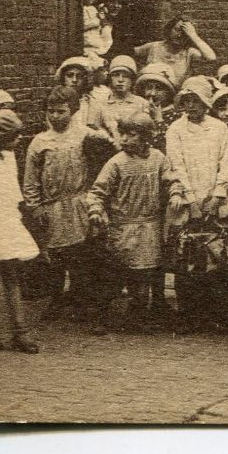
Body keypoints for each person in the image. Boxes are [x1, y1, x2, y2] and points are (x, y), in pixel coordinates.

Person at [87, 110, 188, 331]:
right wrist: (95, 209)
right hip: (122, 227)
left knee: (145, 274)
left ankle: (138, 316)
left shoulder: (158, 159)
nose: (123, 139)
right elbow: (98, 191)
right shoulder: (116, 163)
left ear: (145, 137)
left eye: (130, 135)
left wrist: (176, 194)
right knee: (115, 274)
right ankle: (102, 317)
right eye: (121, 134)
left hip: (150, 227)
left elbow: (171, 180)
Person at [23, 86, 108, 323]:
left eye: (61, 111)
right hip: (53, 207)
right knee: (56, 257)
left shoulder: (86, 136)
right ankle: (57, 299)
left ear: (73, 111)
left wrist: (94, 203)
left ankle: (81, 300)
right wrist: (36, 206)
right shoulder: (40, 142)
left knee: (81, 255)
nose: (55, 116)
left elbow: (98, 169)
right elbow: (31, 180)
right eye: (51, 111)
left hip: (80, 203)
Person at [164, 78, 228, 330]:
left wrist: (217, 196)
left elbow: (224, 163)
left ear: (206, 103)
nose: (191, 106)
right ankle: (188, 314)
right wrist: (192, 200)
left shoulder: (219, 128)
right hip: (187, 201)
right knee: (186, 257)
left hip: (214, 202)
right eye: (187, 101)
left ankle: (212, 314)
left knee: (213, 254)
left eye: (196, 101)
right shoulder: (176, 129)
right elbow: (177, 165)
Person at [0, 110, 42, 353]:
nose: (18, 140)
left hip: (7, 218)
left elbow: (13, 192)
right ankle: (12, 332)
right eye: (13, 136)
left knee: (4, 276)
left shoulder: (9, 156)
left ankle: (13, 332)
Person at [133, 15, 216, 90]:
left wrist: (193, 35)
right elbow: (129, 53)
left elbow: (211, 57)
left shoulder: (189, 53)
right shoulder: (154, 47)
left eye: (184, 32)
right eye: (177, 30)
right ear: (169, 29)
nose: (179, 35)